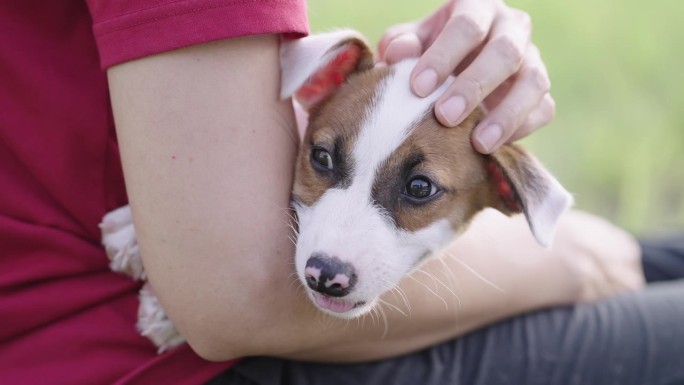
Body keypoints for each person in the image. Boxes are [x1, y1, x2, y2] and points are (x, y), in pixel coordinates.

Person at [1, 0, 682, 384]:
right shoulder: (324, 96)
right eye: (324, 160)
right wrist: (579, 261)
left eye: (415, 189)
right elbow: (244, 292)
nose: (334, 245)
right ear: (316, 86)